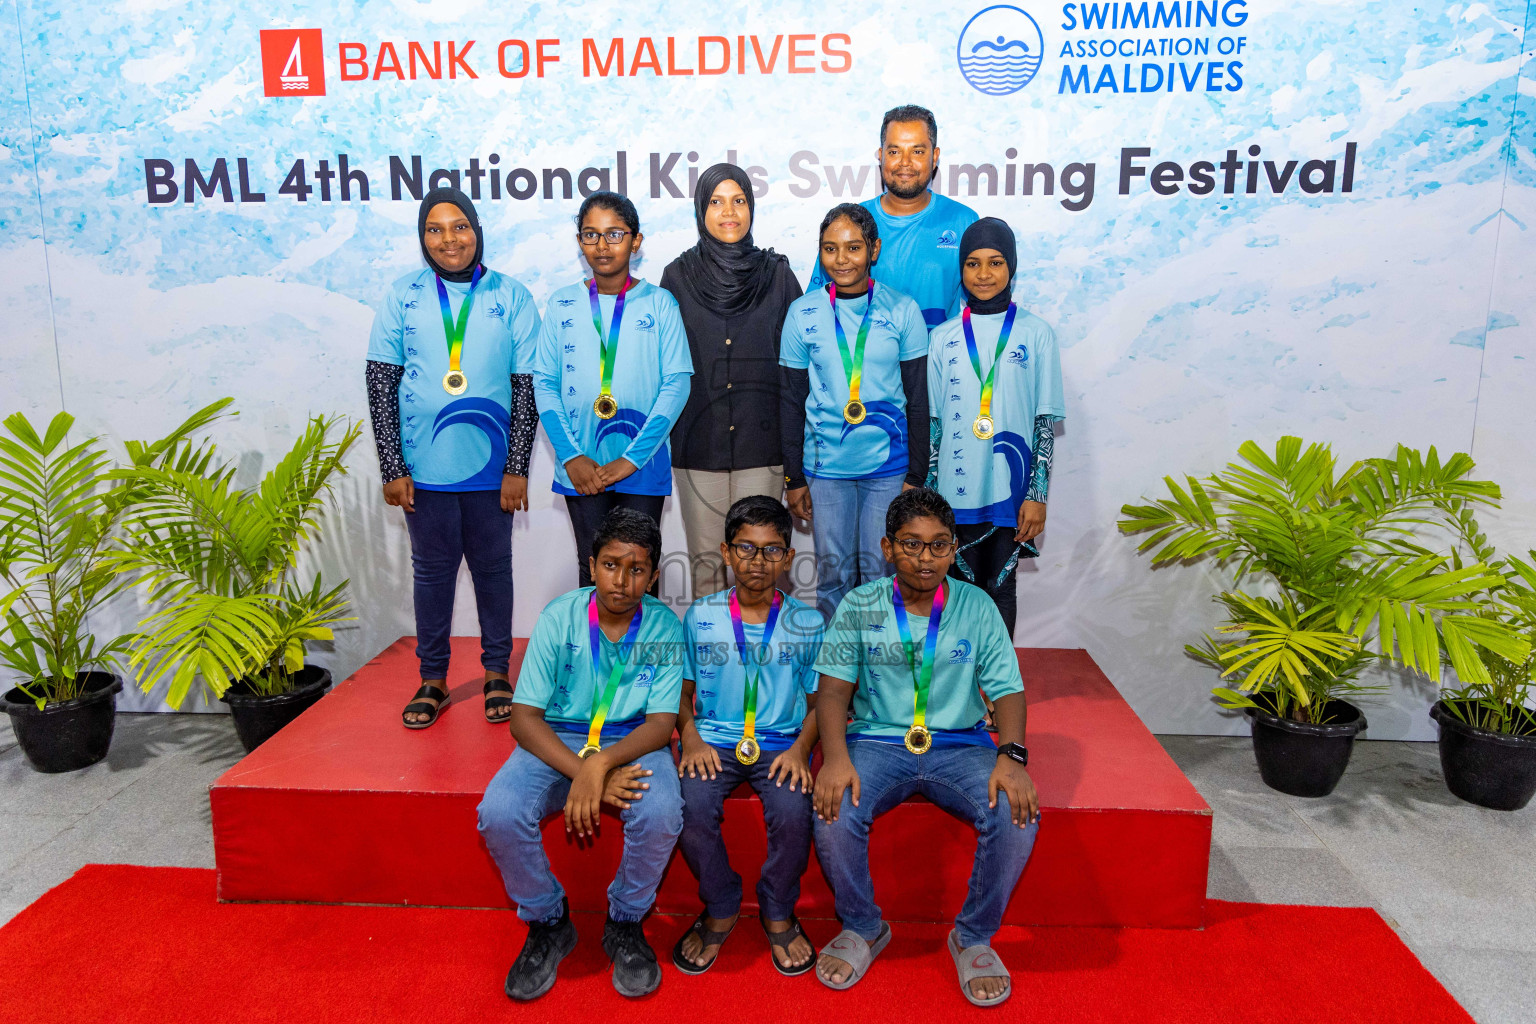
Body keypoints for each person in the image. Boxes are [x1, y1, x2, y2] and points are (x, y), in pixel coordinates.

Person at [810, 487, 1040, 1007]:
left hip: (960, 744)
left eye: (939, 545)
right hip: (876, 740)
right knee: (831, 809)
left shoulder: (977, 605)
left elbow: (1007, 689)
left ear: (954, 549)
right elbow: (833, 691)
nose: (925, 557)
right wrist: (836, 757)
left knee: (1017, 811)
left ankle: (973, 935)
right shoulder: (859, 605)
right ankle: (864, 926)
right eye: (911, 544)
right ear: (888, 548)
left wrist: (1012, 756)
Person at [478, 508, 686, 1001]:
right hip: (560, 735)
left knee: (662, 812)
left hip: (633, 737)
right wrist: (585, 768)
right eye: (611, 565)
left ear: (653, 575)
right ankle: (549, 921)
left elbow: (661, 724)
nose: (623, 581)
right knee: (499, 813)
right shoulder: (559, 617)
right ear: (591, 566)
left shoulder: (664, 627)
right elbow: (524, 718)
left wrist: (602, 763)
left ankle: (625, 920)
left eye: (637, 570)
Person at [364, 186, 541, 730]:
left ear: (476, 230)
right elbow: (381, 382)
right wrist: (392, 466)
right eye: (435, 229)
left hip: (492, 472)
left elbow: (527, 386)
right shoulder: (403, 296)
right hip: (425, 471)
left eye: (459, 226)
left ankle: (495, 674)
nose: (449, 239)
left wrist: (517, 466)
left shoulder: (511, 296)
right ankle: (433, 679)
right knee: (432, 575)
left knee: (494, 573)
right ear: (423, 238)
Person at [672, 496, 824, 977]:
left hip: (781, 743)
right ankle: (721, 901)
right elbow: (681, 691)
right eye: (747, 549)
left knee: (795, 813)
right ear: (725, 551)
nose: (759, 563)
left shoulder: (809, 622)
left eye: (772, 550)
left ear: (789, 557)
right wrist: (691, 738)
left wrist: (802, 748)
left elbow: (821, 700)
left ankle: (778, 908)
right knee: (690, 809)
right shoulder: (700, 615)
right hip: (713, 740)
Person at [533, 191, 693, 587]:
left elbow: (677, 384)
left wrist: (632, 459)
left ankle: (643, 651)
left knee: (639, 572)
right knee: (593, 571)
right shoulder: (562, 304)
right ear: (579, 242)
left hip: (642, 462)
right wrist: (571, 456)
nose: (602, 246)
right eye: (591, 235)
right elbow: (545, 383)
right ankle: (592, 651)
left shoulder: (661, 303)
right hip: (581, 465)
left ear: (636, 241)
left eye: (615, 234)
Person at [780, 203, 929, 620]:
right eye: (830, 249)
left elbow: (918, 399)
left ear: (874, 249)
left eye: (852, 247)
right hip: (826, 471)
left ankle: (878, 673)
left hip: (889, 471)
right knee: (833, 578)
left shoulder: (902, 310)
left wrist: (916, 475)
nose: (841, 260)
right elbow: (790, 400)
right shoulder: (803, 312)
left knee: (883, 575)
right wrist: (794, 476)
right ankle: (835, 677)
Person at [663, 164, 804, 599]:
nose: (729, 212)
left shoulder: (777, 276)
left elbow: (796, 374)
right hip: (698, 446)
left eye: (739, 200)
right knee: (706, 567)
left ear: (751, 207)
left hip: (761, 449)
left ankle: (764, 663)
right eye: (716, 201)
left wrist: (794, 461)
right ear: (700, 209)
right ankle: (710, 664)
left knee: (759, 569)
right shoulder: (676, 277)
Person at [926, 218, 1064, 637]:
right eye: (972, 263)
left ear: (1012, 268)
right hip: (953, 493)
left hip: (1011, 492)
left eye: (995, 262)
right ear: (961, 271)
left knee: (1001, 590)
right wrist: (931, 502)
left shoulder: (1037, 334)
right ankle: (961, 692)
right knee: (956, 592)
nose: (983, 274)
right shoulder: (943, 337)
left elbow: (1043, 423)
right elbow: (934, 429)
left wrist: (1037, 497)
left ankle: (997, 691)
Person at [808, 104, 978, 330]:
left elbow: (983, 303)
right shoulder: (850, 223)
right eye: (894, 151)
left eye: (917, 151)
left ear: (935, 156)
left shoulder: (964, 221)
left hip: (935, 363)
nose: (905, 162)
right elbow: (816, 308)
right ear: (881, 156)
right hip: (862, 362)